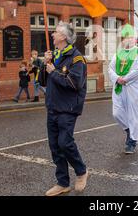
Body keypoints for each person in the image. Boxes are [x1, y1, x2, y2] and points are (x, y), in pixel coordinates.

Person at [43, 21, 88, 196]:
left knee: (64, 142)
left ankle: (81, 171)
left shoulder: (76, 58)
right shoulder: (55, 56)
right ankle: (62, 183)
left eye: (55, 32)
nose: (52, 34)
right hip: (53, 106)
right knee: (54, 146)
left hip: (68, 108)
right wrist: (44, 64)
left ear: (63, 37)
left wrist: (53, 71)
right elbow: (43, 80)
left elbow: (75, 83)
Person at [108, 24, 138, 154]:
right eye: (124, 37)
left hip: (132, 88)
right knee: (117, 113)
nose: (127, 40)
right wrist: (118, 78)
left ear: (134, 39)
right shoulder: (118, 53)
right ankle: (129, 130)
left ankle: (132, 141)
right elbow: (110, 68)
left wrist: (126, 79)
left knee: (133, 114)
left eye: (129, 37)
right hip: (119, 87)